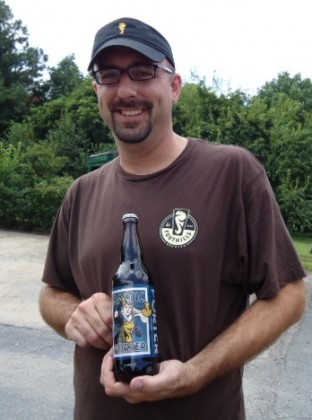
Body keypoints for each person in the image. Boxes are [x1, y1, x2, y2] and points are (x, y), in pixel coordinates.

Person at [39, 17, 307, 420]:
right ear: (96, 90)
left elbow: (289, 295)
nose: (126, 89)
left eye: (143, 72)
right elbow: (52, 295)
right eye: (109, 75)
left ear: (175, 85)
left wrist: (195, 373)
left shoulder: (231, 172)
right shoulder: (82, 192)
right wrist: (73, 317)